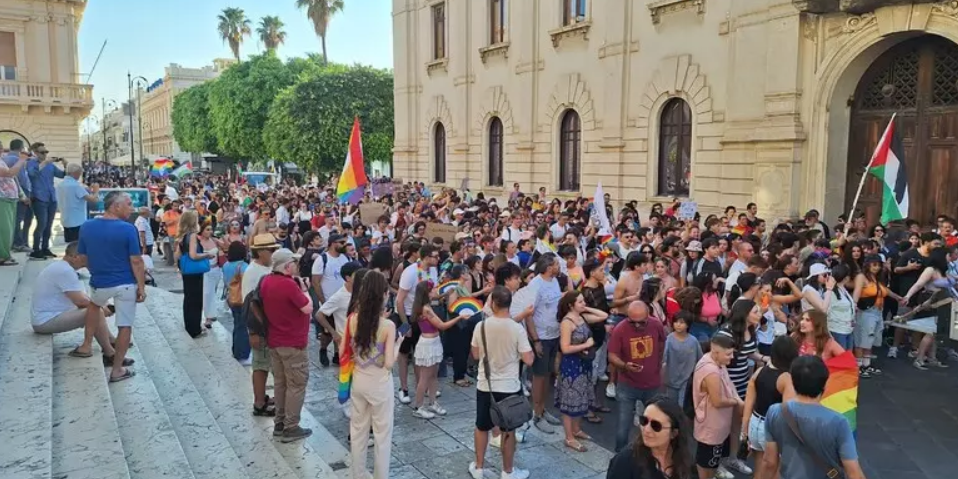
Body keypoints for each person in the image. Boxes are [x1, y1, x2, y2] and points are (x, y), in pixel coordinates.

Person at [759, 355, 866, 479]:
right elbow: (854, 473)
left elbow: (770, 462)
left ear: (793, 382)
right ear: (824, 385)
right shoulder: (839, 422)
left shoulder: (775, 411)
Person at [76, 191, 145, 383]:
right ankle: (117, 369)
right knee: (125, 326)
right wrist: (141, 286)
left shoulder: (87, 226)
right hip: (124, 284)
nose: (132, 208)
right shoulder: (128, 229)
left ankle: (86, 345)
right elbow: (136, 260)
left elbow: (82, 257)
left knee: (94, 306)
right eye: (129, 204)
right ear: (116, 206)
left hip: (100, 281)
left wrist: (96, 270)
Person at [31, 241, 133, 367]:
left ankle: (111, 341)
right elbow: (80, 301)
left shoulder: (62, 268)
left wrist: (102, 305)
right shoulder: (65, 271)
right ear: (76, 257)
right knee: (94, 311)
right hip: (45, 321)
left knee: (95, 309)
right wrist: (102, 307)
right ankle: (109, 353)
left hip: (49, 317)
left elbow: (82, 297)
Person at [469, 286, 534, 479]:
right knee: (508, 430)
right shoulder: (516, 329)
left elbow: (475, 354)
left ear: (493, 303)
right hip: (509, 387)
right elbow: (528, 359)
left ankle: (479, 467)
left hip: (485, 384)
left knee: (481, 426)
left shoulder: (481, 326)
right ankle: (508, 471)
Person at [346, 271, 397, 479]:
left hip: (358, 380)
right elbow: (388, 363)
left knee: (358, 431)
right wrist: (397, 343)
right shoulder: (388, 326)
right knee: (382, 435)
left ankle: (357, 474)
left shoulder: (353, 319)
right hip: (380, 384)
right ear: (384, 295)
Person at [260, 248, 313, 443]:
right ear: (288, 265)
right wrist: (304, 290)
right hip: (293, 342)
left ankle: (279, 423)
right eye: (295, 263)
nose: (297, 266)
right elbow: (308, 307)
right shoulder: (289, 285)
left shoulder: (266, 281)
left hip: (275, 340)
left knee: (281, 384)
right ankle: (292, 426)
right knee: (296, 385)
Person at [608, 301, 667, 452]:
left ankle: (647, 454)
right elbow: (612, 355)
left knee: (653, 425)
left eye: (641, 322)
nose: (637, 326)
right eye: (632, 322)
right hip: (627, 385)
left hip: (652, 384)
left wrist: (659, 364)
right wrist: (624, 366)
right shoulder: (620, 329)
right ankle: (619, 457)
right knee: (623, 425)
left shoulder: (656, 325)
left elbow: (662, 343)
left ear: (648, 316)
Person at [742, 336, 798, 479]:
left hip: (755, 425)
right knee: (776, 470)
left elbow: (748, 405)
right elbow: (787, 413)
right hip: (773, 430)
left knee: (760, 467)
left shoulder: (759, 371)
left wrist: (744, 432)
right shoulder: (786, 379)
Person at [410, 280, 466, 419]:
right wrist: (459, 317)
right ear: (427, 293)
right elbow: (442, 325)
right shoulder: (426, 309)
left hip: (433, 342)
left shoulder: (426, 306)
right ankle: (418, 406)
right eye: (433, 289)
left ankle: (432, 402)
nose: (436, 291)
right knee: (424, 377)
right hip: (428, 343)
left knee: (434, 376)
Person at [395, 243, 441, 404]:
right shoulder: (410, 272)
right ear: (426, 257)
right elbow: (399, 300)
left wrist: (442, 294)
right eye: (435, 256)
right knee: (404, 352)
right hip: (408, 315)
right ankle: (403, 387)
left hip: (425, 315)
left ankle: (421, 385)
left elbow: (431, 293)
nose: (438, 258)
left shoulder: (434, 270)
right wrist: (404, 324)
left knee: (419, 353)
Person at [692, 332, 742, 479]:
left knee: (712, 460)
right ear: (715, 352)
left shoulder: (717, 362)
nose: (732, 357)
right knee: (706, 461)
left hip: (718, 424)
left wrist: (738, 399)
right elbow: (718, 401)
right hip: (711, 426)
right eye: (728, 354)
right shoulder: (711, 371)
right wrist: (735, 401)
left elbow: (729, 383)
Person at [606, 396, 694, 479]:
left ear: (673, 433)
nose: (646, 429)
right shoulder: (625, 461)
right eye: (644, 421)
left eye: (656, 426)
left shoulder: (684, 460)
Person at [526, 254, 565, 433]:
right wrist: (535, 340)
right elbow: (528, 314)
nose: (559, 266)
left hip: (554, 334)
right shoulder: (535, 285)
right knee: (539, 376)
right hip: (541, 336)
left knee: (548, 374)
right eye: (557, 264)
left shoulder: (555, 281)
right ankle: (536, 413)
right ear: (549, 266)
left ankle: (543, 408)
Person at [242, 233, 280, 416]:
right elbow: (249, 304)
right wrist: (254, 331)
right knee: (260, 364)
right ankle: (259, 401)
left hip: (268, 325)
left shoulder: (265, 268)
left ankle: (261, 397)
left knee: (263, 363)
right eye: (271, 250)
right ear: (261, 252)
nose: (273, 253)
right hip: (260, 327)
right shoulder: (253, 273)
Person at [312, 233, 351, 366]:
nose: (344, 245)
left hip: (343, 301)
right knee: (327, 332)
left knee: (341, 328)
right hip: (328, 301)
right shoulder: (322, 259)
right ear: (333, 243)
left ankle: (336, 353)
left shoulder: (345, 258)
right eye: (342, 243)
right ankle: (323, 349)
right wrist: (323, 301)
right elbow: (316, 282)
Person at [174, 211, 210, 338]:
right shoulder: (193, 235)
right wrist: (207, 254)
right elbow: (193, 255)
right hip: (195, 271)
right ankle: (195, 329)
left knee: (188, 299)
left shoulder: (182, 236)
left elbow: (177, 255)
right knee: (196, 300)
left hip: (186, 271)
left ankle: (189, 326)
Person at [26, 143, 65, 259]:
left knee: (49, 225)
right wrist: (44, 163)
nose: (45, 154)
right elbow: (32, 174)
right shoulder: (31, 163)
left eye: (46, 152)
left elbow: (63, 175)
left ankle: (45, 248)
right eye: (42, 152)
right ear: (36, 153)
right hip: (39, 198)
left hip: (51, 198)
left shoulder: (51, 166)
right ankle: (36, 249)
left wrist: (65, 163)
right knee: (41, 224)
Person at [662, 311, 703, 406]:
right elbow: (663, 358)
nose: (678, 325)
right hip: (671, 380)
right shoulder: (669, 340)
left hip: (687, 380)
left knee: (683, 406)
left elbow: (700, 359)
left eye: (682, 322)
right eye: (676, 322)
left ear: (688, 325)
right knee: (671, 406)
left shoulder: (693, 341)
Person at [0, 143, 28, 265]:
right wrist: (22, 159)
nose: (2, 148)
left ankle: (6, 254)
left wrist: (21, 194)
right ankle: (2, 257)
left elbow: (13, 178)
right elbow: (10, 173)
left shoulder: (2, 160)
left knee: (9, 229)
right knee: (4, 230)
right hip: (2, 199)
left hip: (9, 199)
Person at [57, 162, 99, 243]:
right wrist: (96, 191)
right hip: (77, 221)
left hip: (66, 219)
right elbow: (93, 200)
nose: (79, 176)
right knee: (78, 247)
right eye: (79, 174)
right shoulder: (76, 186)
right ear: (75, 173)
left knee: (70, 245)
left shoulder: (60, 185)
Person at [222, 241, 249, 362]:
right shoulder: (243, 266)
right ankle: (242, 352)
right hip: (242, 298)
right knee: (243, 326)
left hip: (232, 298)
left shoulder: (226, 265)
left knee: (237, 324)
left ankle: (236, 349)